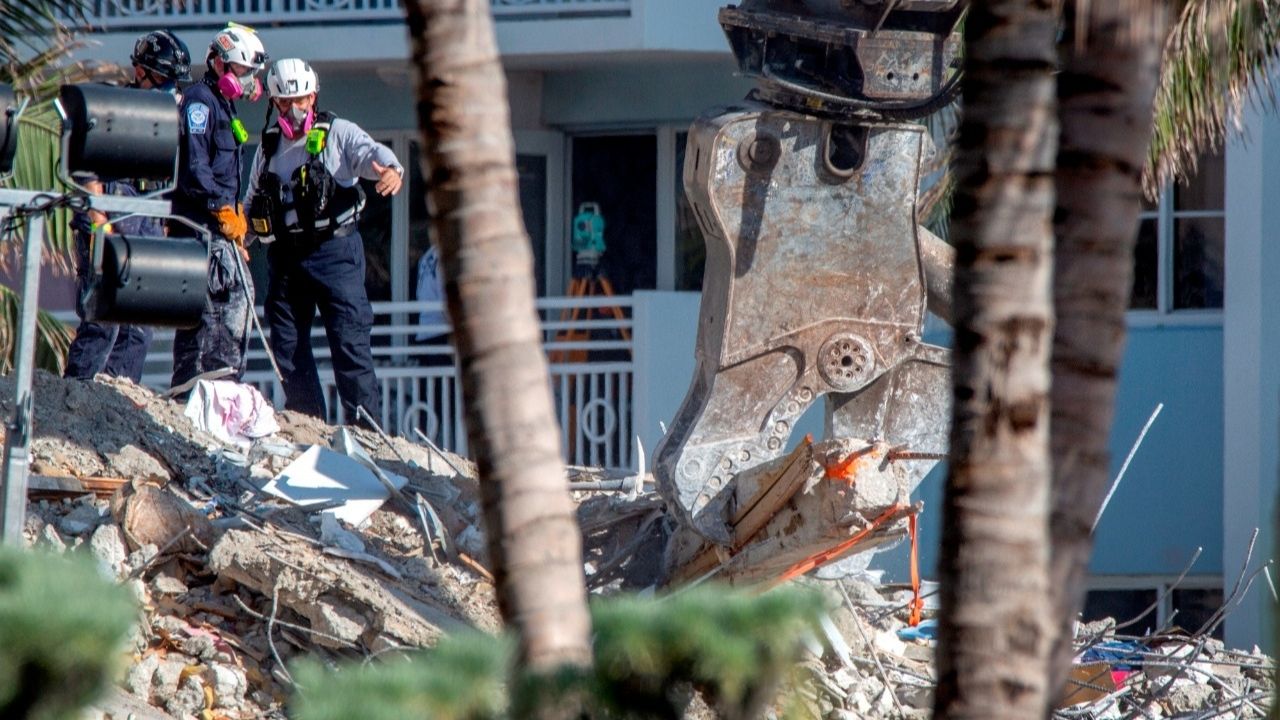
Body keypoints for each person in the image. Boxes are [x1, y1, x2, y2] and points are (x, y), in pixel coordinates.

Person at [244, 58, 403, 424]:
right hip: (285, 258)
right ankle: (308, 422)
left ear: (313, 96)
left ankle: (366, 431)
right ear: (273, 103)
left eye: (300, 99)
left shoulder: (338, 133)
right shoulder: (268, 148)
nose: (294, 109)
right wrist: (239, 239)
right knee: (286, 343)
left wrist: (392, 169)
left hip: (335, 253)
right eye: (284, 102)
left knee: (349, 341)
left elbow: (371, 154)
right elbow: (252, 203)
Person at [64, 29, 191, 383]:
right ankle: (79, 395)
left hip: (144, 218)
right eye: (165, 79)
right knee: (102, 321)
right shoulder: (112, 108)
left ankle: (116, 400)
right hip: (107, 215)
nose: (171, 89)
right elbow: (84, 163)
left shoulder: (167, 119)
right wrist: (98, 215)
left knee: (138, 329)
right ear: (142, 73)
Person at [169, 23, 267, 393]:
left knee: (228, 304)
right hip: (201, 228)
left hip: (217, 227)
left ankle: (216, 388)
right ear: (221, 64)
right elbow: (196, 169)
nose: (248, 81)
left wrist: (234, 214)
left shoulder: (223, 105)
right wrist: (222, 210)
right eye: (243, 72)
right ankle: (209, 388)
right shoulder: (199, 101)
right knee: (224, 305)